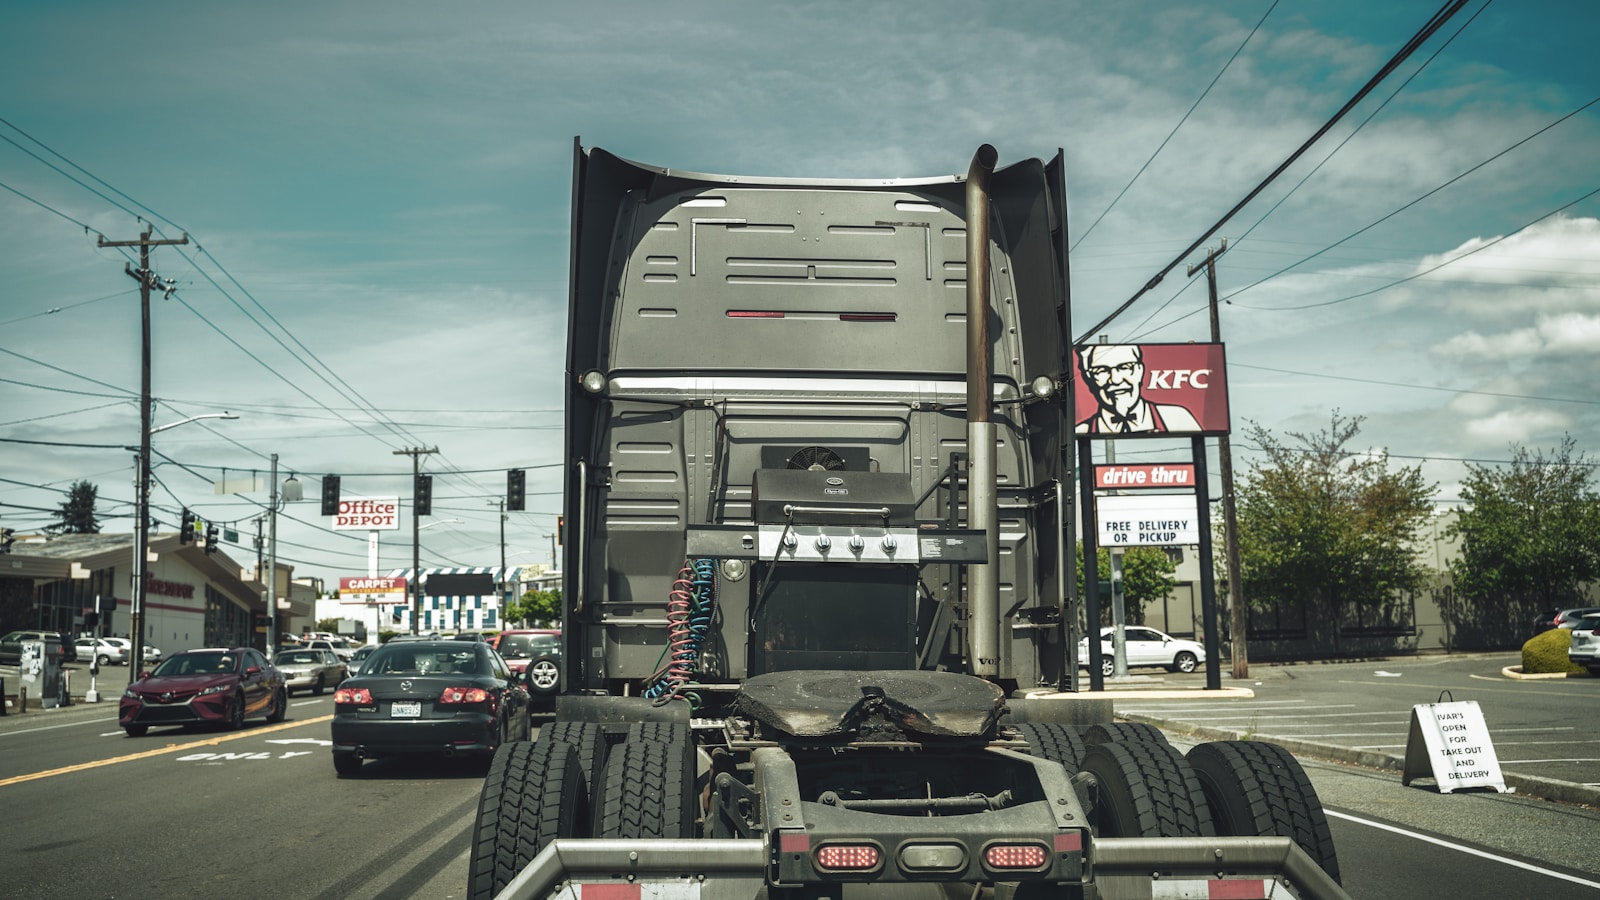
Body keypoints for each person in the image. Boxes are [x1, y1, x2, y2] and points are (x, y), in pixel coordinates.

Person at [1075, 344, 1201, 434]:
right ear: (1090, 378)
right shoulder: (1081, 430)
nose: (1115, 379)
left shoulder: (1177, 418)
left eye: (1125, 367)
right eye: (1102, 370)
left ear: (1140, 371)